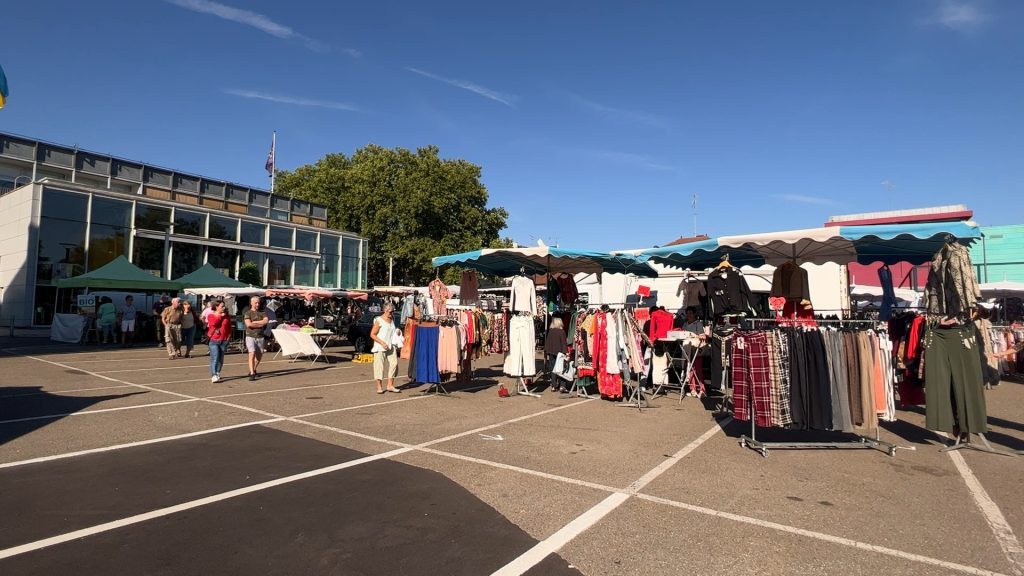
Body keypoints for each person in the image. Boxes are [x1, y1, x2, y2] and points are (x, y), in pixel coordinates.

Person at [370, 303, 400, 394]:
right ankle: (379, 387)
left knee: (394, 364)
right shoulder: (378, 320)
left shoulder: (392, 319)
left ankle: (390, 385)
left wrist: (397, 332)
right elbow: (372, 334)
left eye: (393, 311)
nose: (392, 313)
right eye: (391, 311)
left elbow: (392, 331)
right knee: (379, 366)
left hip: (391, 345)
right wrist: (382, 343)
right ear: (385, 310)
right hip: (380, 346)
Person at [242, 296, 269, 381]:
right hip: (250, 336)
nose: (257, 304)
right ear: (251, 303)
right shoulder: (248, 313)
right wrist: (260, 324)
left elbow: (266, 321)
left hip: (260, 336)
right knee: (252, 353)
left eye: (258, 303)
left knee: (259, 356)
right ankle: (252, 373)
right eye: (255, 303)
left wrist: (256, 322)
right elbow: (249, 324)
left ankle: (253, 369)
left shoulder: (262, 312)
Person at [206, 300, 232, 383]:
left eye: (224, 306)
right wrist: (220, 316)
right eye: (222, 306)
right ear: (216, 307)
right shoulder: (211, 315)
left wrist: (228, 337)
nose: (223, 308)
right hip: (214, 340)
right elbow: (214, 324)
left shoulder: (227, 316)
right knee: (215, 358)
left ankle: (217, 372)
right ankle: (213, 375)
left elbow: (229, 327)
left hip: (224, 340)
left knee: (221, 359)